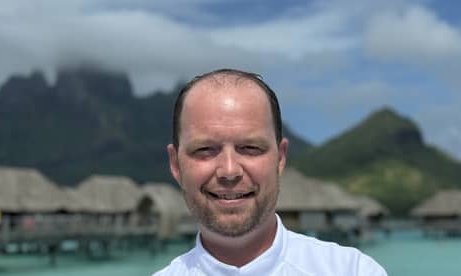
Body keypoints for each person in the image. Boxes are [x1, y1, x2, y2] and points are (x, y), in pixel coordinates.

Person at [154, 69, 387, 275]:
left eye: (250, 148)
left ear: (280, 157)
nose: (229, 170)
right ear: (175, 164)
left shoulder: (351, 270)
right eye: (205, 149)